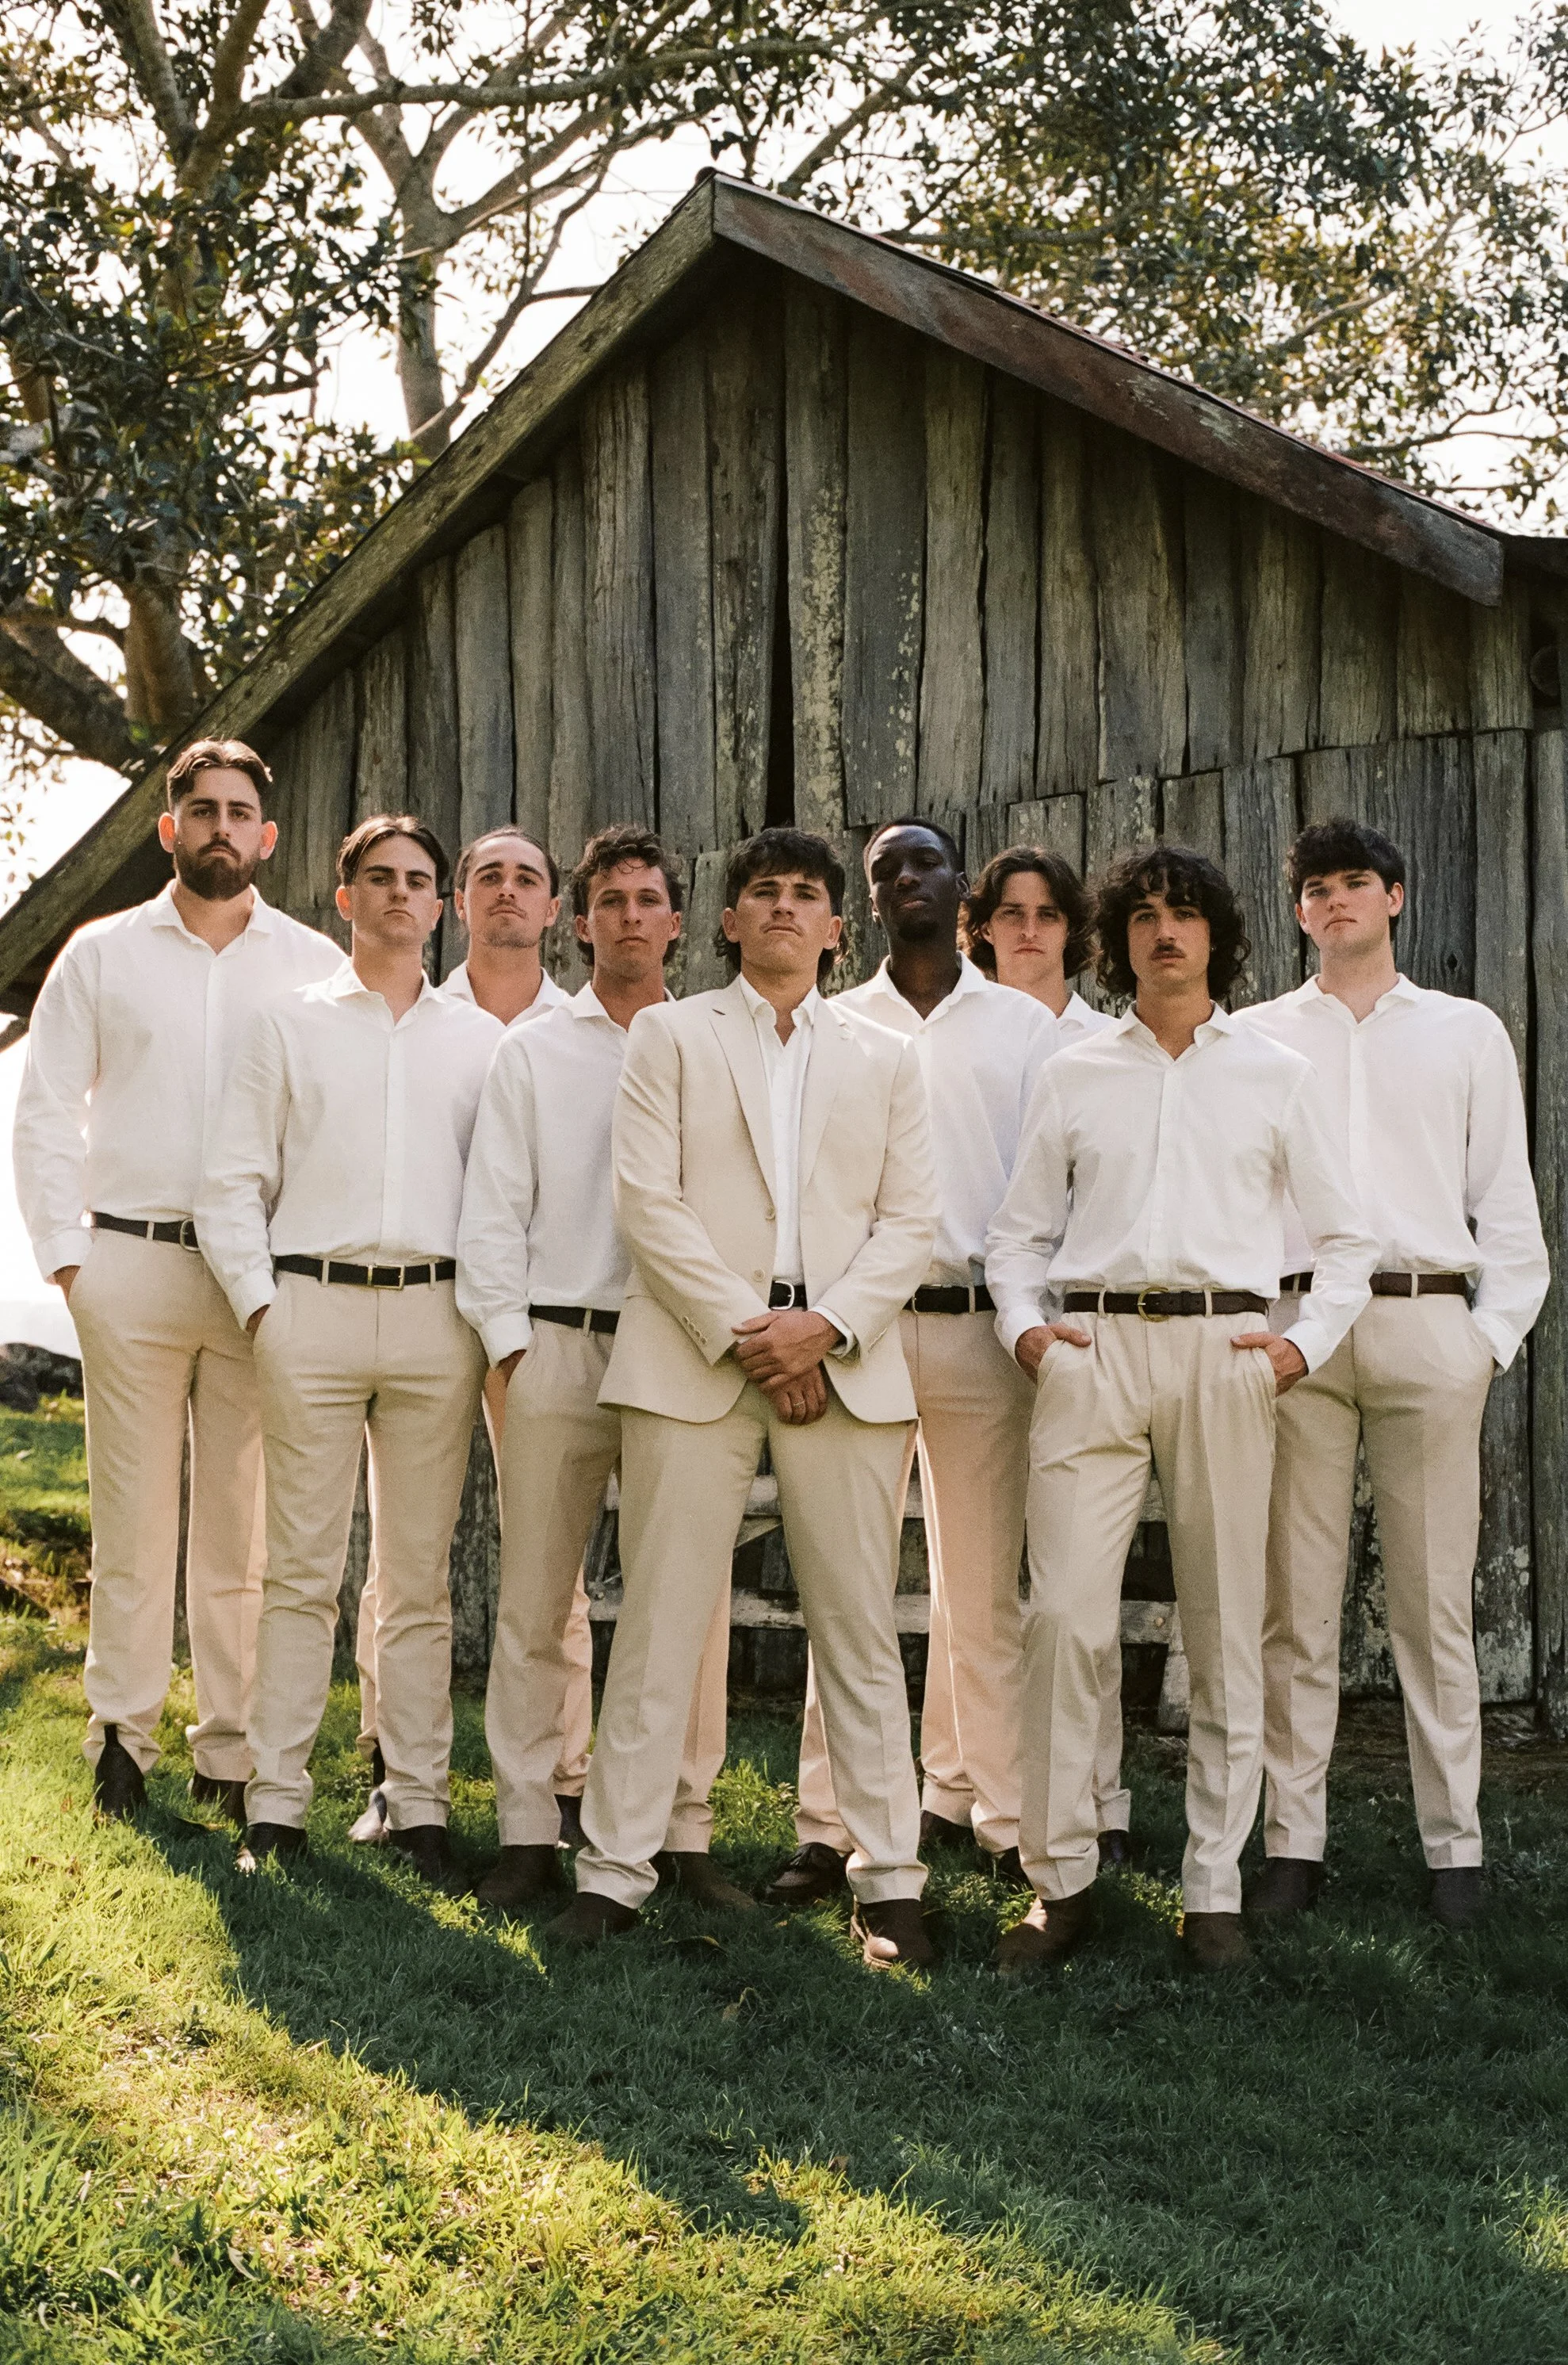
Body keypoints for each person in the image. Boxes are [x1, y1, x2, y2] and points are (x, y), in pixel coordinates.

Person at [549, 827, 939, 1966]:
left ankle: (891, 1880)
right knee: (660, 1622)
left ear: (834, 927)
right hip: (694, 1357)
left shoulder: (886, 1053)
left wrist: (824, 1326)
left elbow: (908, 1220)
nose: (781, 906)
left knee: (860, 1630)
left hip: (844, 1358)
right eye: (760, 891)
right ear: (723, 922)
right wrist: (752, 1332)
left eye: (805, 894)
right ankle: (613, 1872)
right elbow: (647, 1202)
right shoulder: (670, 1034)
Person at [985, 845, 1377, 1973]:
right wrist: (1026, 1332)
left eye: (1185, 913)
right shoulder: (1073, 1070)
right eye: (1145, 915)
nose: (1165, 931)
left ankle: (1212, 1891)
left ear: (1216, 934)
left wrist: (1296, 1350)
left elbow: (1345, 1244)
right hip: (1091, 1350)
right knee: (1063, 1616)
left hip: (1226, 1350)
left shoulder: (1270, 1069)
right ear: (1115, 939)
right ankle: (1057, 1882)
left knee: (1222, 1626)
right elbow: (1015, 1237)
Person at [13, 739, 341, 1823]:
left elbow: (325, 1126)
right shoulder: (102, 954)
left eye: (240, 811)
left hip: (255, 1282)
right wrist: (69, 1257)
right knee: (134, 1516)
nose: (220, 827)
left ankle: (231, 1744)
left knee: (239, 1525)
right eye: (201, 809)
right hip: (130, 1266)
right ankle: (122, 1736)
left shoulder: (307, 963)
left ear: (268, 836)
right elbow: (47, 1108)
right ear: (170, 828)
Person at [1237, 819, 1548, 1931]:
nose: (1333, 901)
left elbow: (1506, 1203)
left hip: (1426, 1326)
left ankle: (1454, 1850)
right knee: (1295, 1605)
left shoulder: (1462, 1032)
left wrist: (1487, 1337)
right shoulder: (1257, 1037)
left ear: (1395, 897)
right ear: (1299, 909)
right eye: (1314, 888)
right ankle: (1291, 1843)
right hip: (1297, 1335)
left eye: (1353, 883)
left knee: (1431, 1602)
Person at [197, 815, 499, 1886]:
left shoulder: (479, 1040)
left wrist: (484, 1320)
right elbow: (230, 1179)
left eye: (420, 881)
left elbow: (503, 1199)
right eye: (380, 878)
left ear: (440, 905)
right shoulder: (287, 1025)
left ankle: (416, 1801)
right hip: (309, 1312)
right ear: (344, 897)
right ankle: (275, 1804)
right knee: (299, 1572)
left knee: (416, 1579)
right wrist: (262, 1310)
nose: (400, 896)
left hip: (435, 1319)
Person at [771, 819, 1054, 1908]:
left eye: (924, 862)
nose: (906, 880)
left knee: (980, 1590)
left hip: (983, 1327)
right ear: (869, 904)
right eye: (885, 869)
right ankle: (827, 1822)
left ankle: (997, 1811)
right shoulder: (833, 1026)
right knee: (845, 1585)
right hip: (863, 1327)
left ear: (961, 892)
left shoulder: (1022, 1027)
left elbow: (1046, 1183)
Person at [457, 824, 740, 1915]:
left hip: (680, 1346)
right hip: (558, 1344)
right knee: (536, 1598)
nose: (628, 915)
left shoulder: (712, 1043)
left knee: (690, 1600)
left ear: (679, 920)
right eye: (609, 900)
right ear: (579, 923)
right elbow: (493, 1211)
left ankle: (681, 1826)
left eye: (648, 899)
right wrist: (511, 1347)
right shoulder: (533, 1049)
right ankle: (531, 1825)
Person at [350, 824, 576, 1846]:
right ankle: (397, 1772)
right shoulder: (411, 1018)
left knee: (551, 1560)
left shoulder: (587, 1030)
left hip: (546, 1325)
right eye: (488, 876)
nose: (507, 894)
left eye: (528, 879)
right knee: (409, 1555)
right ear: (459, 902)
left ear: (552, 908)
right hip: (437, 1309)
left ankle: (563, 1781)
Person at [962, 843, 1133, 1859]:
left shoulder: (1111, 1043)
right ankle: (972, 1788)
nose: (1029, 929)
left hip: (1089, 1336)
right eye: (1010, 912)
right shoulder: (956, 1035)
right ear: (981, 924)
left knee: (1077, 1586)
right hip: (985, 1324)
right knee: (975, 1584)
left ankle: (1097, 1800)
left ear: (1075, 930)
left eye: (1049, 913)